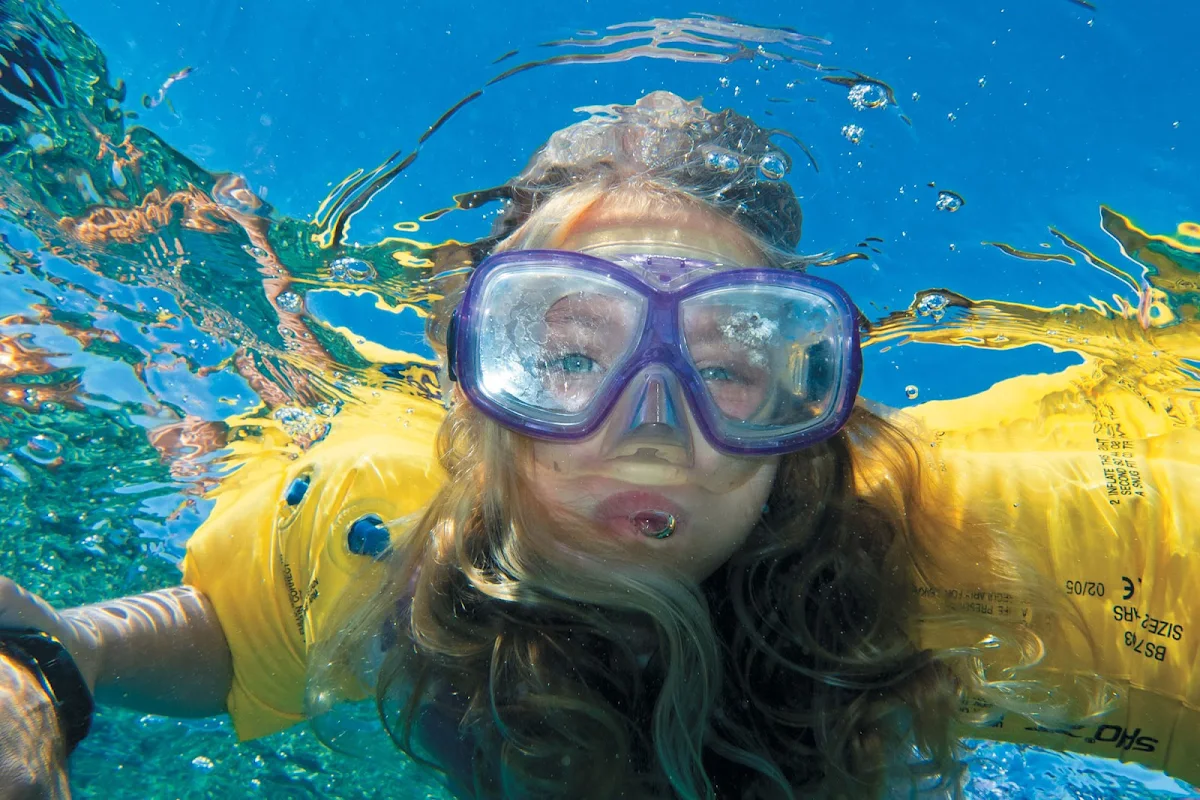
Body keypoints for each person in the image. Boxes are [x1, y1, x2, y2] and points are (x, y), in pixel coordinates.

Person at [1, 92, 1197, 799]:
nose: (653, 421)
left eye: (733, 363)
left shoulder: (1018, 540)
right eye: (567, 353)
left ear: (808, 410)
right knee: (221, 472)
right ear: (470, 387)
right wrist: (54, 662)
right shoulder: (387, 512)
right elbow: (227, 630)